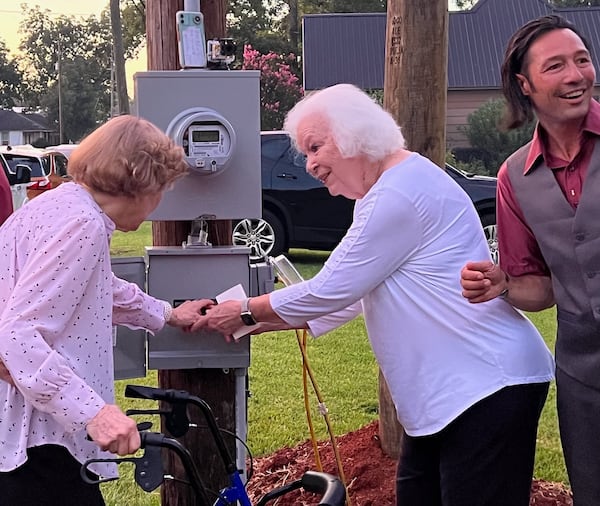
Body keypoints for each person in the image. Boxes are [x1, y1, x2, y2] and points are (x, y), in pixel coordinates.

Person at [193, 83, 555, 506]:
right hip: (454, 394)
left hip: (485, 384)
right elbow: (348, 298)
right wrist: (255, 324)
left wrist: (243, 312)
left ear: (352, 134)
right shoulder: (387, 190)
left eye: (314, 147)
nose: (308, 165)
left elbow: (329, 290)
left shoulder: (398, 193)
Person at [0, 115, 212, 506]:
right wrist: (95, 414)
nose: (159, 202)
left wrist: (166, 314)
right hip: (39, 437)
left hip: (29, 429)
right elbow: (16, 335)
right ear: (141, 180)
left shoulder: (59, 204)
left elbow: (94, 287)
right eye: (162, 188)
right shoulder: (83, 224)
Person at [460, 15, 600, 506]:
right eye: (556, 65)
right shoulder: (514, 177)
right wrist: (501, 286)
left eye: (582, 60)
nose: (576, 75)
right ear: (525, 85)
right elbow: (539, 288)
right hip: (586, 380)